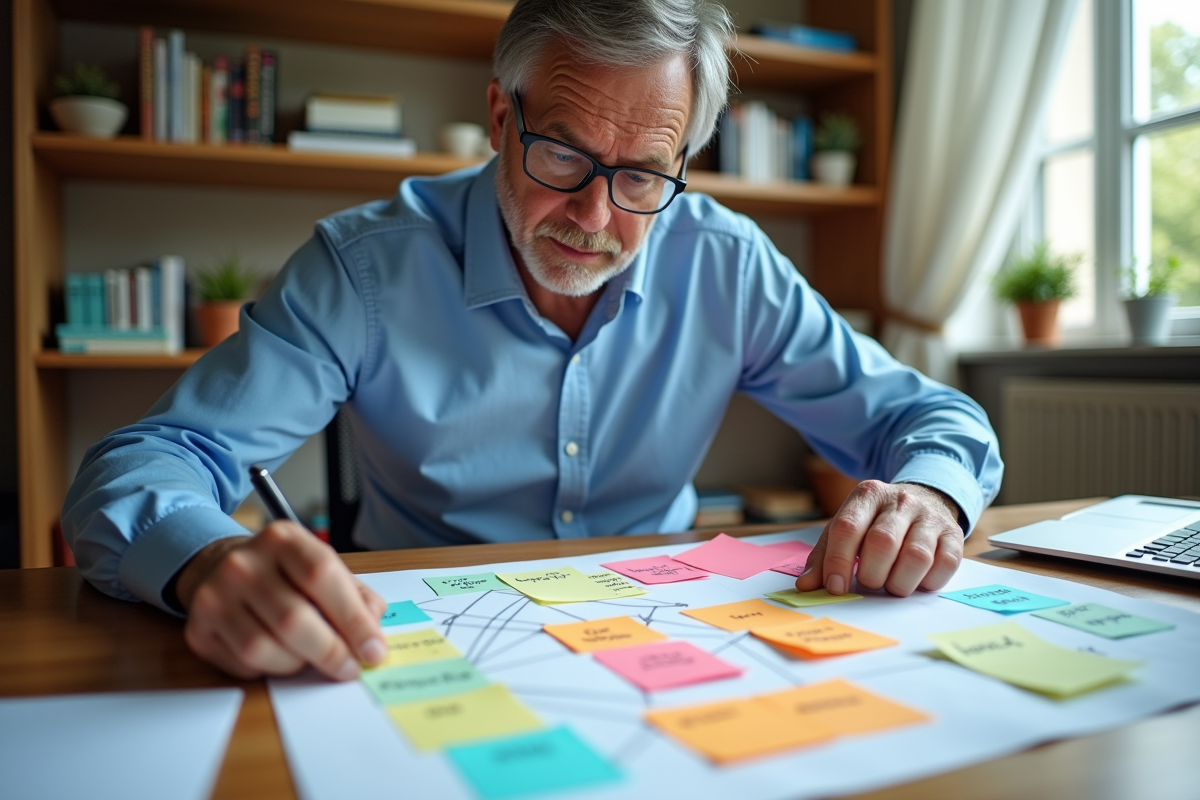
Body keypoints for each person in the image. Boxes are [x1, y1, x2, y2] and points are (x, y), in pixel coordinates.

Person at [63, 0, 1002, 683]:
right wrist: (208, 561)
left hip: (673, 640)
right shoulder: (364, 269)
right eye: (563, 153)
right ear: (501, 116)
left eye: (641, 174)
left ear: (683, 161)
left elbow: (929, 417)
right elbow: (146, 461)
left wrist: (926, 492)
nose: (595, 214)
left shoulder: (724, 261)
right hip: (426, 649)